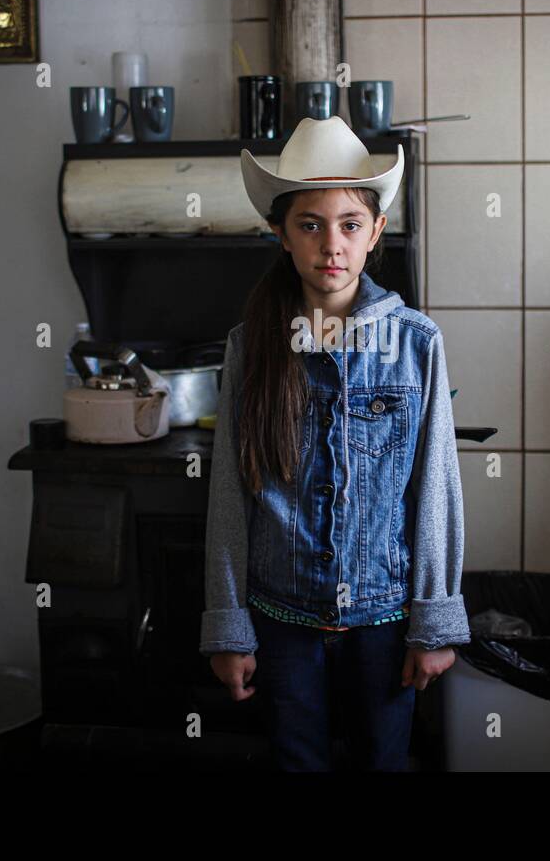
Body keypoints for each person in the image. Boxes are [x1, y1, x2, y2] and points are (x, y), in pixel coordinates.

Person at [198, 116, 471, 771]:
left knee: (385, 760)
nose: (332, 244)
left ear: (375, 232)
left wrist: (434, 620)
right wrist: (227, 626)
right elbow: (231, 495)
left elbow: (434, 488)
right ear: (281, 234)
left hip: (383, 618)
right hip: (282, 618)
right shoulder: (250, 345)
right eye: (310, 224)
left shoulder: (416, 344)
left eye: (350, 224)